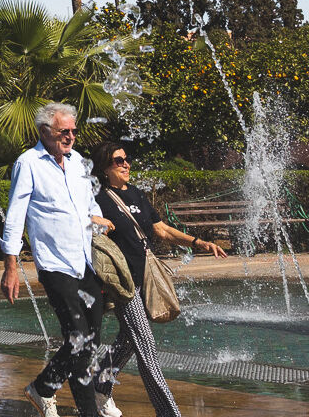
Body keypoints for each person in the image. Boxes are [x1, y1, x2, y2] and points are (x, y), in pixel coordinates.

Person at [93, 142, 228, 417]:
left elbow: (161, 229)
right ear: (105, 167)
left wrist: (198, 242)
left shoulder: (137, 194)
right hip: (124, 284)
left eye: (126, 159)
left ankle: (99, 384)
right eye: (119, 161)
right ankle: (169, 412)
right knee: (147, 348)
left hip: (147, 277)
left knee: (129, 341)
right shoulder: (98, 198)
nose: (126, 164)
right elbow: (82, 225)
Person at [0, 103, 116, 417]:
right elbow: (15, 217)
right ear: (45, 132)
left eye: (73, 131)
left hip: (84, 262)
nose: (70, 137)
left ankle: (44, 387)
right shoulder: (29, 163)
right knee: (78, 337)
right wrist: (11, 267)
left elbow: (91, 204)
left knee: (91, 338)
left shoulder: (79, 162)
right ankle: (88, 412)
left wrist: (100, 221)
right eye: (63, 131)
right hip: (54, 264)